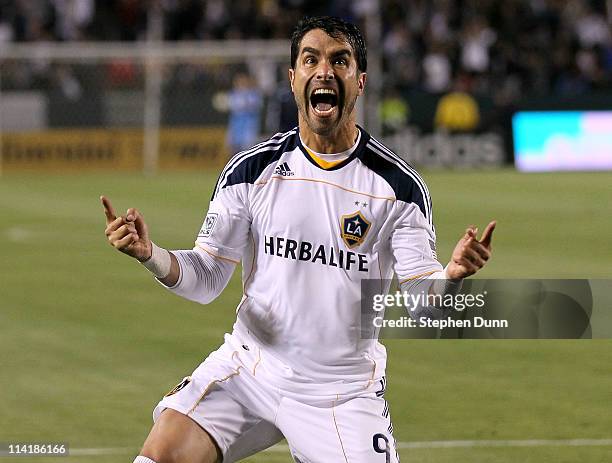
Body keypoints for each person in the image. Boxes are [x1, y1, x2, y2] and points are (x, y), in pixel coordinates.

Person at [102, 16, 495, 463]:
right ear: (293, 79)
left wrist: (454, 275)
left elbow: (425, 306)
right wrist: (150, 255)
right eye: (311, 60)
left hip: (341, 393)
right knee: (159, 457)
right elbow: (207, 278)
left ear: (360, 81)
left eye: (339, 61)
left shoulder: (398, 188)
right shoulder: (250, 171)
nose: (324, 71)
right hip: (250, 371)